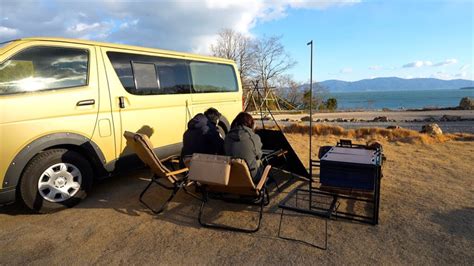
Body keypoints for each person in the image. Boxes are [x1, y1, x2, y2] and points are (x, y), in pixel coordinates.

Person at [224, 112, 263, 183]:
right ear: (251, 124)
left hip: (232, 177)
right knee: (260, 162)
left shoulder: (227, 137)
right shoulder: (254, 137)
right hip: (251, 178)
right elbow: (259, 155)